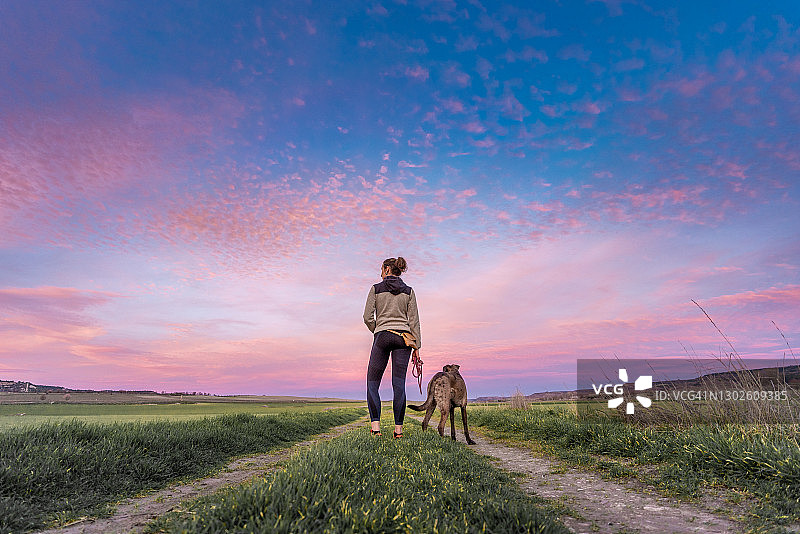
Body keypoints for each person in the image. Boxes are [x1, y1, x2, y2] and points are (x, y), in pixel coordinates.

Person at [363, 257, 421, 438]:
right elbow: (414, 321)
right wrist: (416, 346)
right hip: (404, 339)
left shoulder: (376, 289)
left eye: (381, 269)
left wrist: (378, 330)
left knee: (372, 384)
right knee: (399, 386)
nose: (380, 272)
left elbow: (367, 317)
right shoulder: (409, 291)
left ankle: (376, 428)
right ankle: (398, 431)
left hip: (382, 336)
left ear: (387, 269)